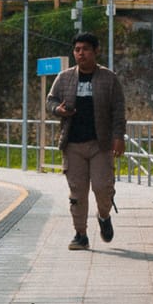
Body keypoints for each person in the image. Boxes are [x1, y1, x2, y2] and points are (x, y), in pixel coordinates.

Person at [47, 32, 126, 250]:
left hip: (101, 144)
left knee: (102, 187)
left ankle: (104, 216)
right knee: (77, 192)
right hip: (72, 144)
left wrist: (119, 137)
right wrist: (58, 109)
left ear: (96, 51)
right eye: (77, 50)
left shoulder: (109, 79)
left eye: (86, 49)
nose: (81, 54)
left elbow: (118, 110)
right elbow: (50, 101)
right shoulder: (64, 78)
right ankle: (80, 234)